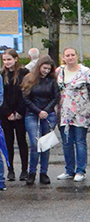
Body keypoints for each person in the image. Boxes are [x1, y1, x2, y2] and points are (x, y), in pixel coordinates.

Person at [55, 47, 90, 181]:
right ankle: (69, 170)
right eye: (67, 55)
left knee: (80, 141)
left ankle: (80, 171)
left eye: (72, 55)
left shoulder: (86, 72)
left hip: (81, 112)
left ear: (76, 56)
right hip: (64, 113)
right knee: (66, 142)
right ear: (63, 58)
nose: (70, 57)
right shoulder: (59, 72)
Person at [21, 55, 60, 185]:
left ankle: (43, 173)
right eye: (44, 68)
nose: (46, 71)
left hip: (48, 114)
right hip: (32, 114)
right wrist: (38, 111)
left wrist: (46, 111)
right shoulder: (29, 79)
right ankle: (32, 172)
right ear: (39, 67)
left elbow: (56, 97)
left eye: (49, 69)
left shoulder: (52, 81)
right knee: (35, 143)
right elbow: (26, 98)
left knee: (45, 144)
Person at [1, 48, 29, 181]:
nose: (7, 62)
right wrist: (7, 112)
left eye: (9, 59)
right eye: (4, 60)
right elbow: (1, 96)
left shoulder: (24, 73)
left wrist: (19, 112)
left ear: (15, 59)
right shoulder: (1, 74)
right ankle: (10, 169)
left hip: (20, 113)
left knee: (22, 141)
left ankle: (24, 170)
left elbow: (26, 93)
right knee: (8, 142)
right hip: (5, 114)